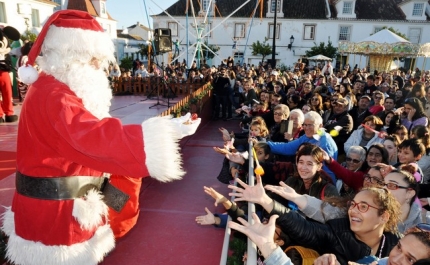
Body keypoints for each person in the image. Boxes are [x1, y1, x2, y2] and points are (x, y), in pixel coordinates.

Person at [5, 10, 200, 265]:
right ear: (70, 56)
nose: (100, 67)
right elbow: (92, 138)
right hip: (58, 220)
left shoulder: (51, 88)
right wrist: (165, 133)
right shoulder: (56, 96)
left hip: (61, 206)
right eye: (94, 59)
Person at [230, 176, 401, 265]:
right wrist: (266, 202)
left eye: (363, 207)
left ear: (384, 216)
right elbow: (305, 228)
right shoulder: (338, 231)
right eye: (353, 204)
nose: (353, 211)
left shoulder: (399, 246)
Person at [267, 111, 338, 183]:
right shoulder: (307, 136)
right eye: (305, 125)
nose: (306, 128)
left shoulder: (325, 143)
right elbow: (287, 147)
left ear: (320, 126)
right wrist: (266, 144)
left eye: (310, 125)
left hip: (321, 184)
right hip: (307, 178)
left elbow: (328, 172)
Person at [0, 26, 20, 123]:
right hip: (4, 73)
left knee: (8, 92)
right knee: (7, 92)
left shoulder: (6, 53)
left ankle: (7, 113)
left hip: (4, 72)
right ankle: (4, 114)